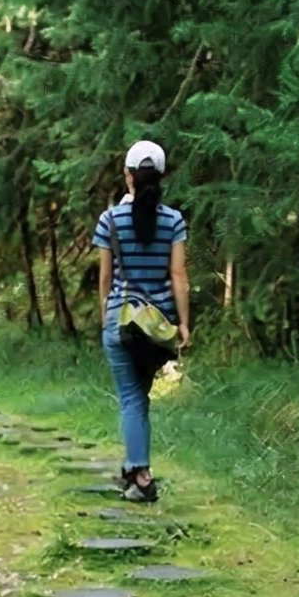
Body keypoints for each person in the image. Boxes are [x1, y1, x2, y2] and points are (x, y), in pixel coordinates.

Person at [93, 140, 190, 504]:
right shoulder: (173, 220)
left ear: (128, 176)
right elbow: (178, 274)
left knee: (132, 399)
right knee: (139, 397)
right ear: (163, 176)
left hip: (121, 320)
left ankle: (142, 475)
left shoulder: (110, 219)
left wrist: (105, 312)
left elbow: (105, 278)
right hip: (159, 325)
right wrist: (183, 323)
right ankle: (133, 469)